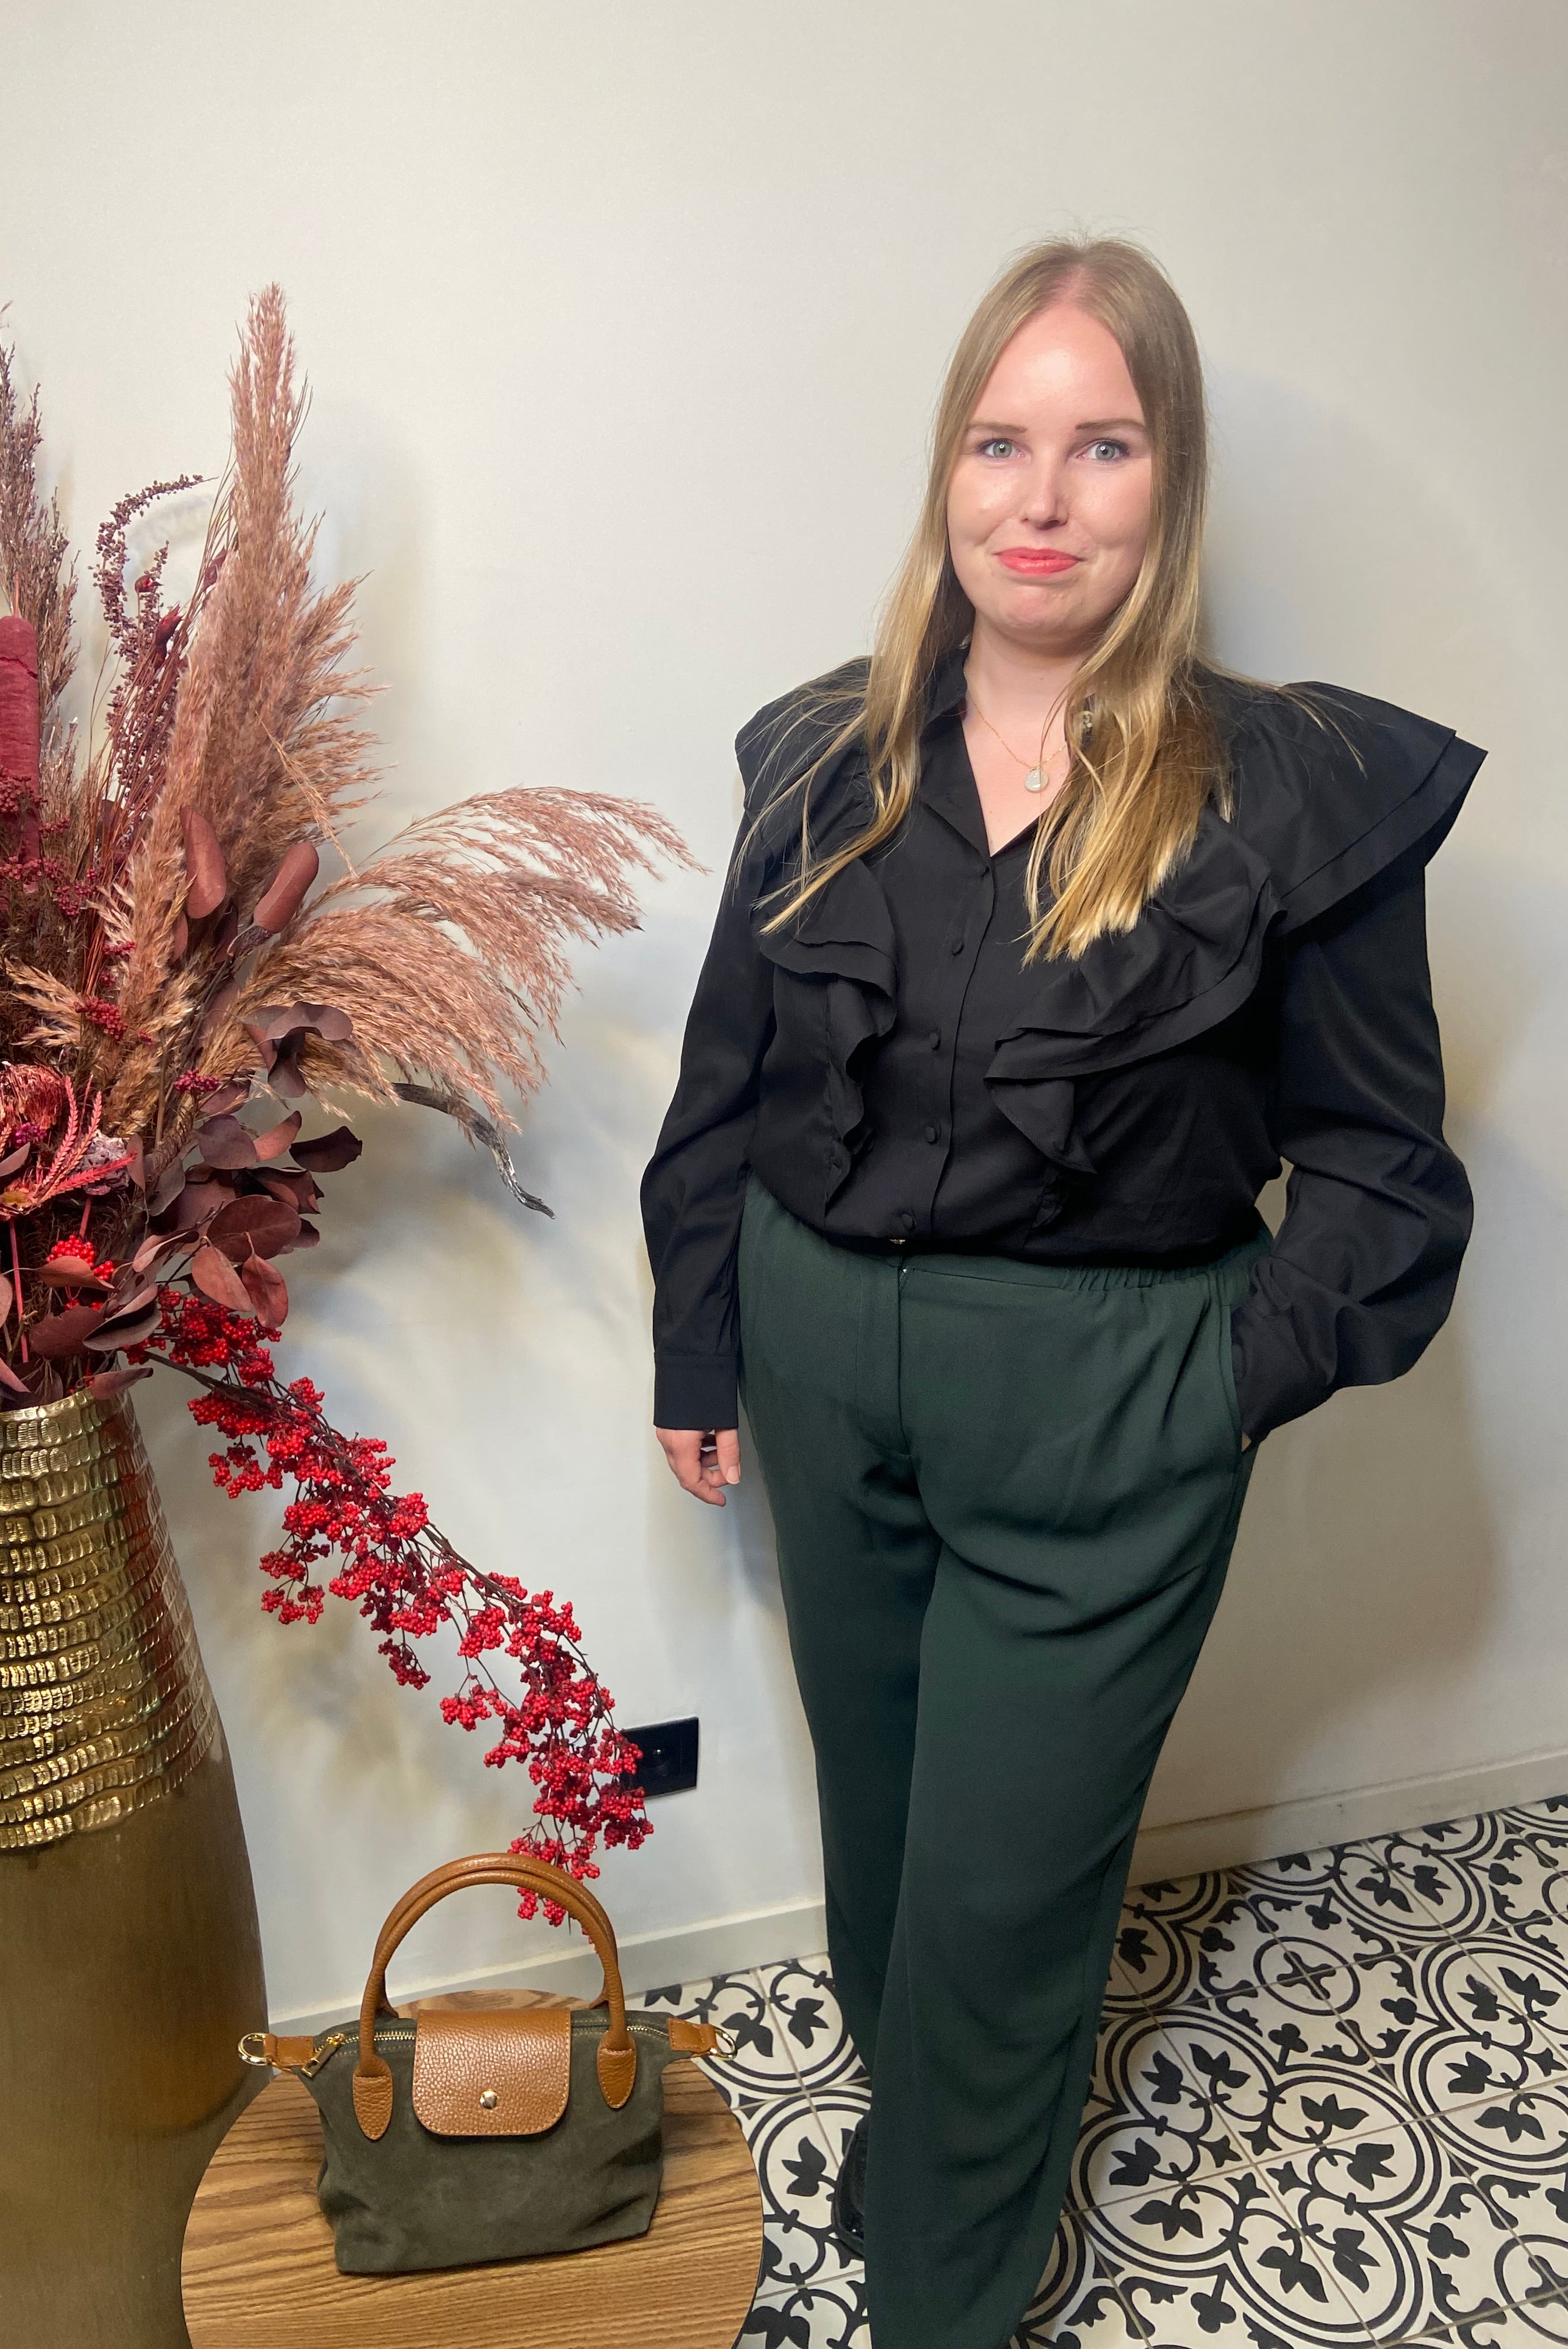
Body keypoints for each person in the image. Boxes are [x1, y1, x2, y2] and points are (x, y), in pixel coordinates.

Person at [638, 234, 1482, 2349]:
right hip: (831, 1376)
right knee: (888, 1846)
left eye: (1101, 445)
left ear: (1168, 482)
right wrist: (704, 1332)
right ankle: (929, 2147)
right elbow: (724, 1080)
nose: (1043, 496)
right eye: (1001, 442)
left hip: (1105, 1399)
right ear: (945, 473)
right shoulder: (819, 759)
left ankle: (940, 2292)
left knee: (1007, 1905)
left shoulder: (1293, 791)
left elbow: (1387, 1170)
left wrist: (1207, 1383)